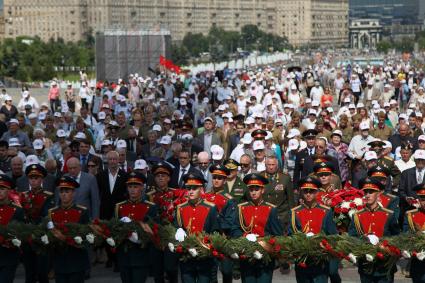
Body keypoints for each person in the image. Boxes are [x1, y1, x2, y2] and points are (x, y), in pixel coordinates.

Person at [230, 173, 283, 283]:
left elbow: (277, 234)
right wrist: (245, 236)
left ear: (262, 190)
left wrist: (272, 249)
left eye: (256, 189)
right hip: (247, 256)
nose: (253, 192)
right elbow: (234, 229)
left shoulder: (271, 209)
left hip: (265, 256)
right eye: (251, 189)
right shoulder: (241, 208)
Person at [349, 177, 399, 283]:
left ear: (378, 193)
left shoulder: (389, 214)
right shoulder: (357, 215)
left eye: (371, 192)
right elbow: (352, 237)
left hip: (385, 265)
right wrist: (363, 242)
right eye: (365, 192)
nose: (367, 195)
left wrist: (385, 247)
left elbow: (396, 237)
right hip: (366, 266)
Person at [289, 176, 338, 283]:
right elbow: (290, 234)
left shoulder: (326, 211)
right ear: (301, 192)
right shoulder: (295, 212)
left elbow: (333, 235)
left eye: (311, 191)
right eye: (305, 191)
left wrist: (325, 245)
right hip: (302, 261)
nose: (308, 194)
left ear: (317, 193)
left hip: (320, 261)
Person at [115, 172, 159, 283]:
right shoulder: (119, 207)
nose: (132, 190)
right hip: (124, 256)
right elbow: (114, 228)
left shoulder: (150, 207)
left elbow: (154, 232)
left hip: (141, 256)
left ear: (142, 187)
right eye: (130, 187)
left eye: (136, 186)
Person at [175, 172, 219, 283]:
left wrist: (206, 246)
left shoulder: (210, 208)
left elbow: (215, 231)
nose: (190, 191)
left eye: (194, 188)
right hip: (186, 257)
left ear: (201, 189)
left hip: (204, 258)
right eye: (188, 188)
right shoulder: (180, 208)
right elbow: (176, 229)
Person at [48, 176, 90, 283]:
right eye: (61, 191)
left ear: (73, 193)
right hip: (59, 261)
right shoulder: (52, 212)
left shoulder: (82, 211)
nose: (64, 194)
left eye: (67, 191)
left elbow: (87, 235)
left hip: (77, 261)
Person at [21, 164, 55, 283]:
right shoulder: (23, 196)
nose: (33, 181)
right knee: (29, 273)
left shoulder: (48, 196)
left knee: (42, 273)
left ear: (42, 179)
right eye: (31, 178)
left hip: (42, 238)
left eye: (36, 178)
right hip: (27, 238)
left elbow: (47, 217)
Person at [204, 164, 236, 283]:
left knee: (226, 271)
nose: (216, 180)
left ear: (225, 180)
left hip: (224, 238)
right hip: (207, 238)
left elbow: (230, 220)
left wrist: (217, 226)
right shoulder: (204, 196)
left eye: (220, 178)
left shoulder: (228, 199)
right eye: (215, 177)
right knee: (211, 272)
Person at [0, 174, 24, 283]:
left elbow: (21, 233)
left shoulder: (17, 210)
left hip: (9, 257)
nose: (0, 191)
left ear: (9, 190)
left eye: (2, 188)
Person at [261, 155, 295, 231]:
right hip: (264, 215)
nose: (271, 167)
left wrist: (291, 218)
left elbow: (291, 200)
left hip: (281, 216)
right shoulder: (260, 177)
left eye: (273, 165)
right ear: (265, 165)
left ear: (277, 165)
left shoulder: (285, 178)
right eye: (268, 165)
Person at [403, 183, 425, 283]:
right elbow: (405, 236)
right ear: (419, 200)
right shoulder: (410, 216)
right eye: (423, 199)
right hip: (418, 265)